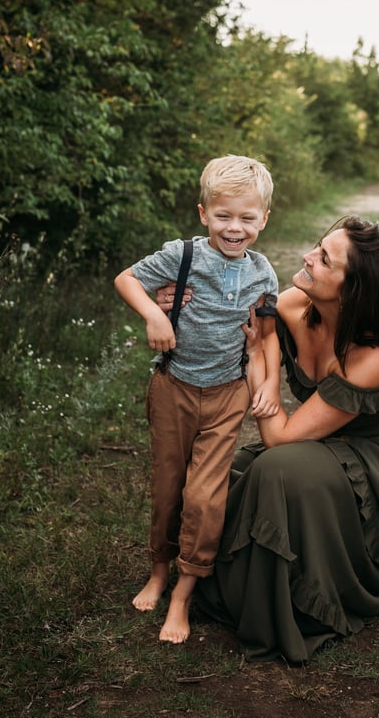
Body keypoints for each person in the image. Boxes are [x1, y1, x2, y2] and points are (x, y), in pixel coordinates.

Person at [196, 214, 379, 663]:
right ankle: (217, 574)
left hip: (374, 467)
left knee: (276, 470)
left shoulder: (378, 357)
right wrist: (176, 295)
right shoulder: (295, 307)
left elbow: (280, 437)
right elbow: (235, 319)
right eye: (317, 246)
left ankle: (293, 600)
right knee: (227, 470)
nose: (307, 257)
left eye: (324, 259)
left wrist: (261, 379)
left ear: (352, 289)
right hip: (320, 446)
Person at [113, 155, 280, 644]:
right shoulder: (182, 255)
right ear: (203, 212)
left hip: (228, 395)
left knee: (204, 497)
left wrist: (267, 384)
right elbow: (127, 279)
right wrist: (154, 314)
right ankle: (159, 570)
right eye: (224, 215)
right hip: (174, 388)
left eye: (247, 218)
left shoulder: (263, 273)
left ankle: (185, 592)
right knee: (168, 490)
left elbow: (265, 336)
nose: (235, 228)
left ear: (264, 220)